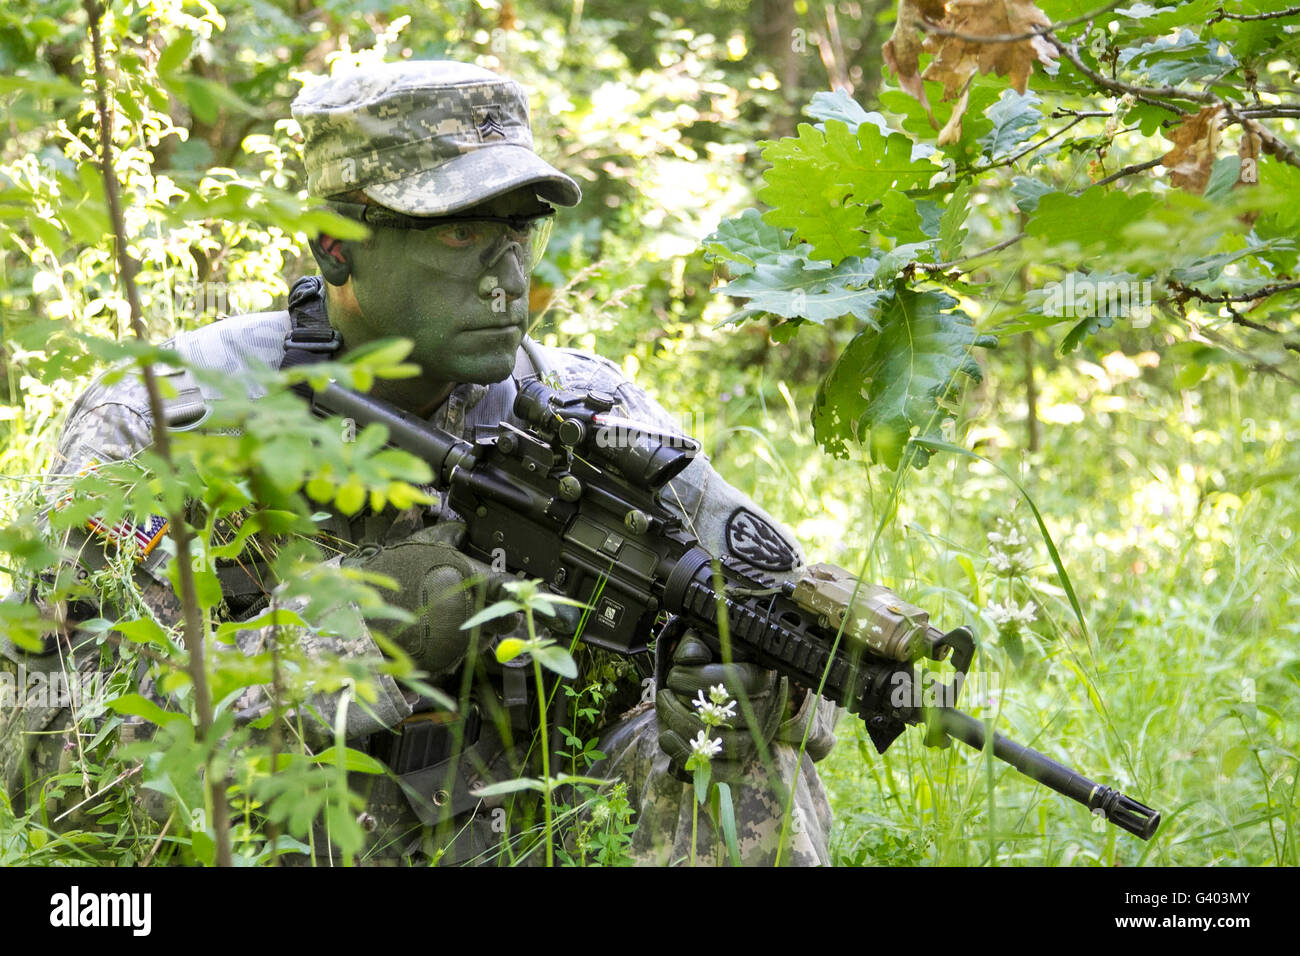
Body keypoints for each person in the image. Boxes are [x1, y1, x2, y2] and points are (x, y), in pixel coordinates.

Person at [0, 60, 836, 865]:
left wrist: (756, 695)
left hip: (540, 831)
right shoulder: (165, 420)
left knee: (749, 760)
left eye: (520, 230)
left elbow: (797, 627)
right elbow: (49, 757)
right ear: (335, 248)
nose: (507, 277)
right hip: (295, 837)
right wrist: (357, 639)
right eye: (461, 231)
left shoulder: (593, 411)